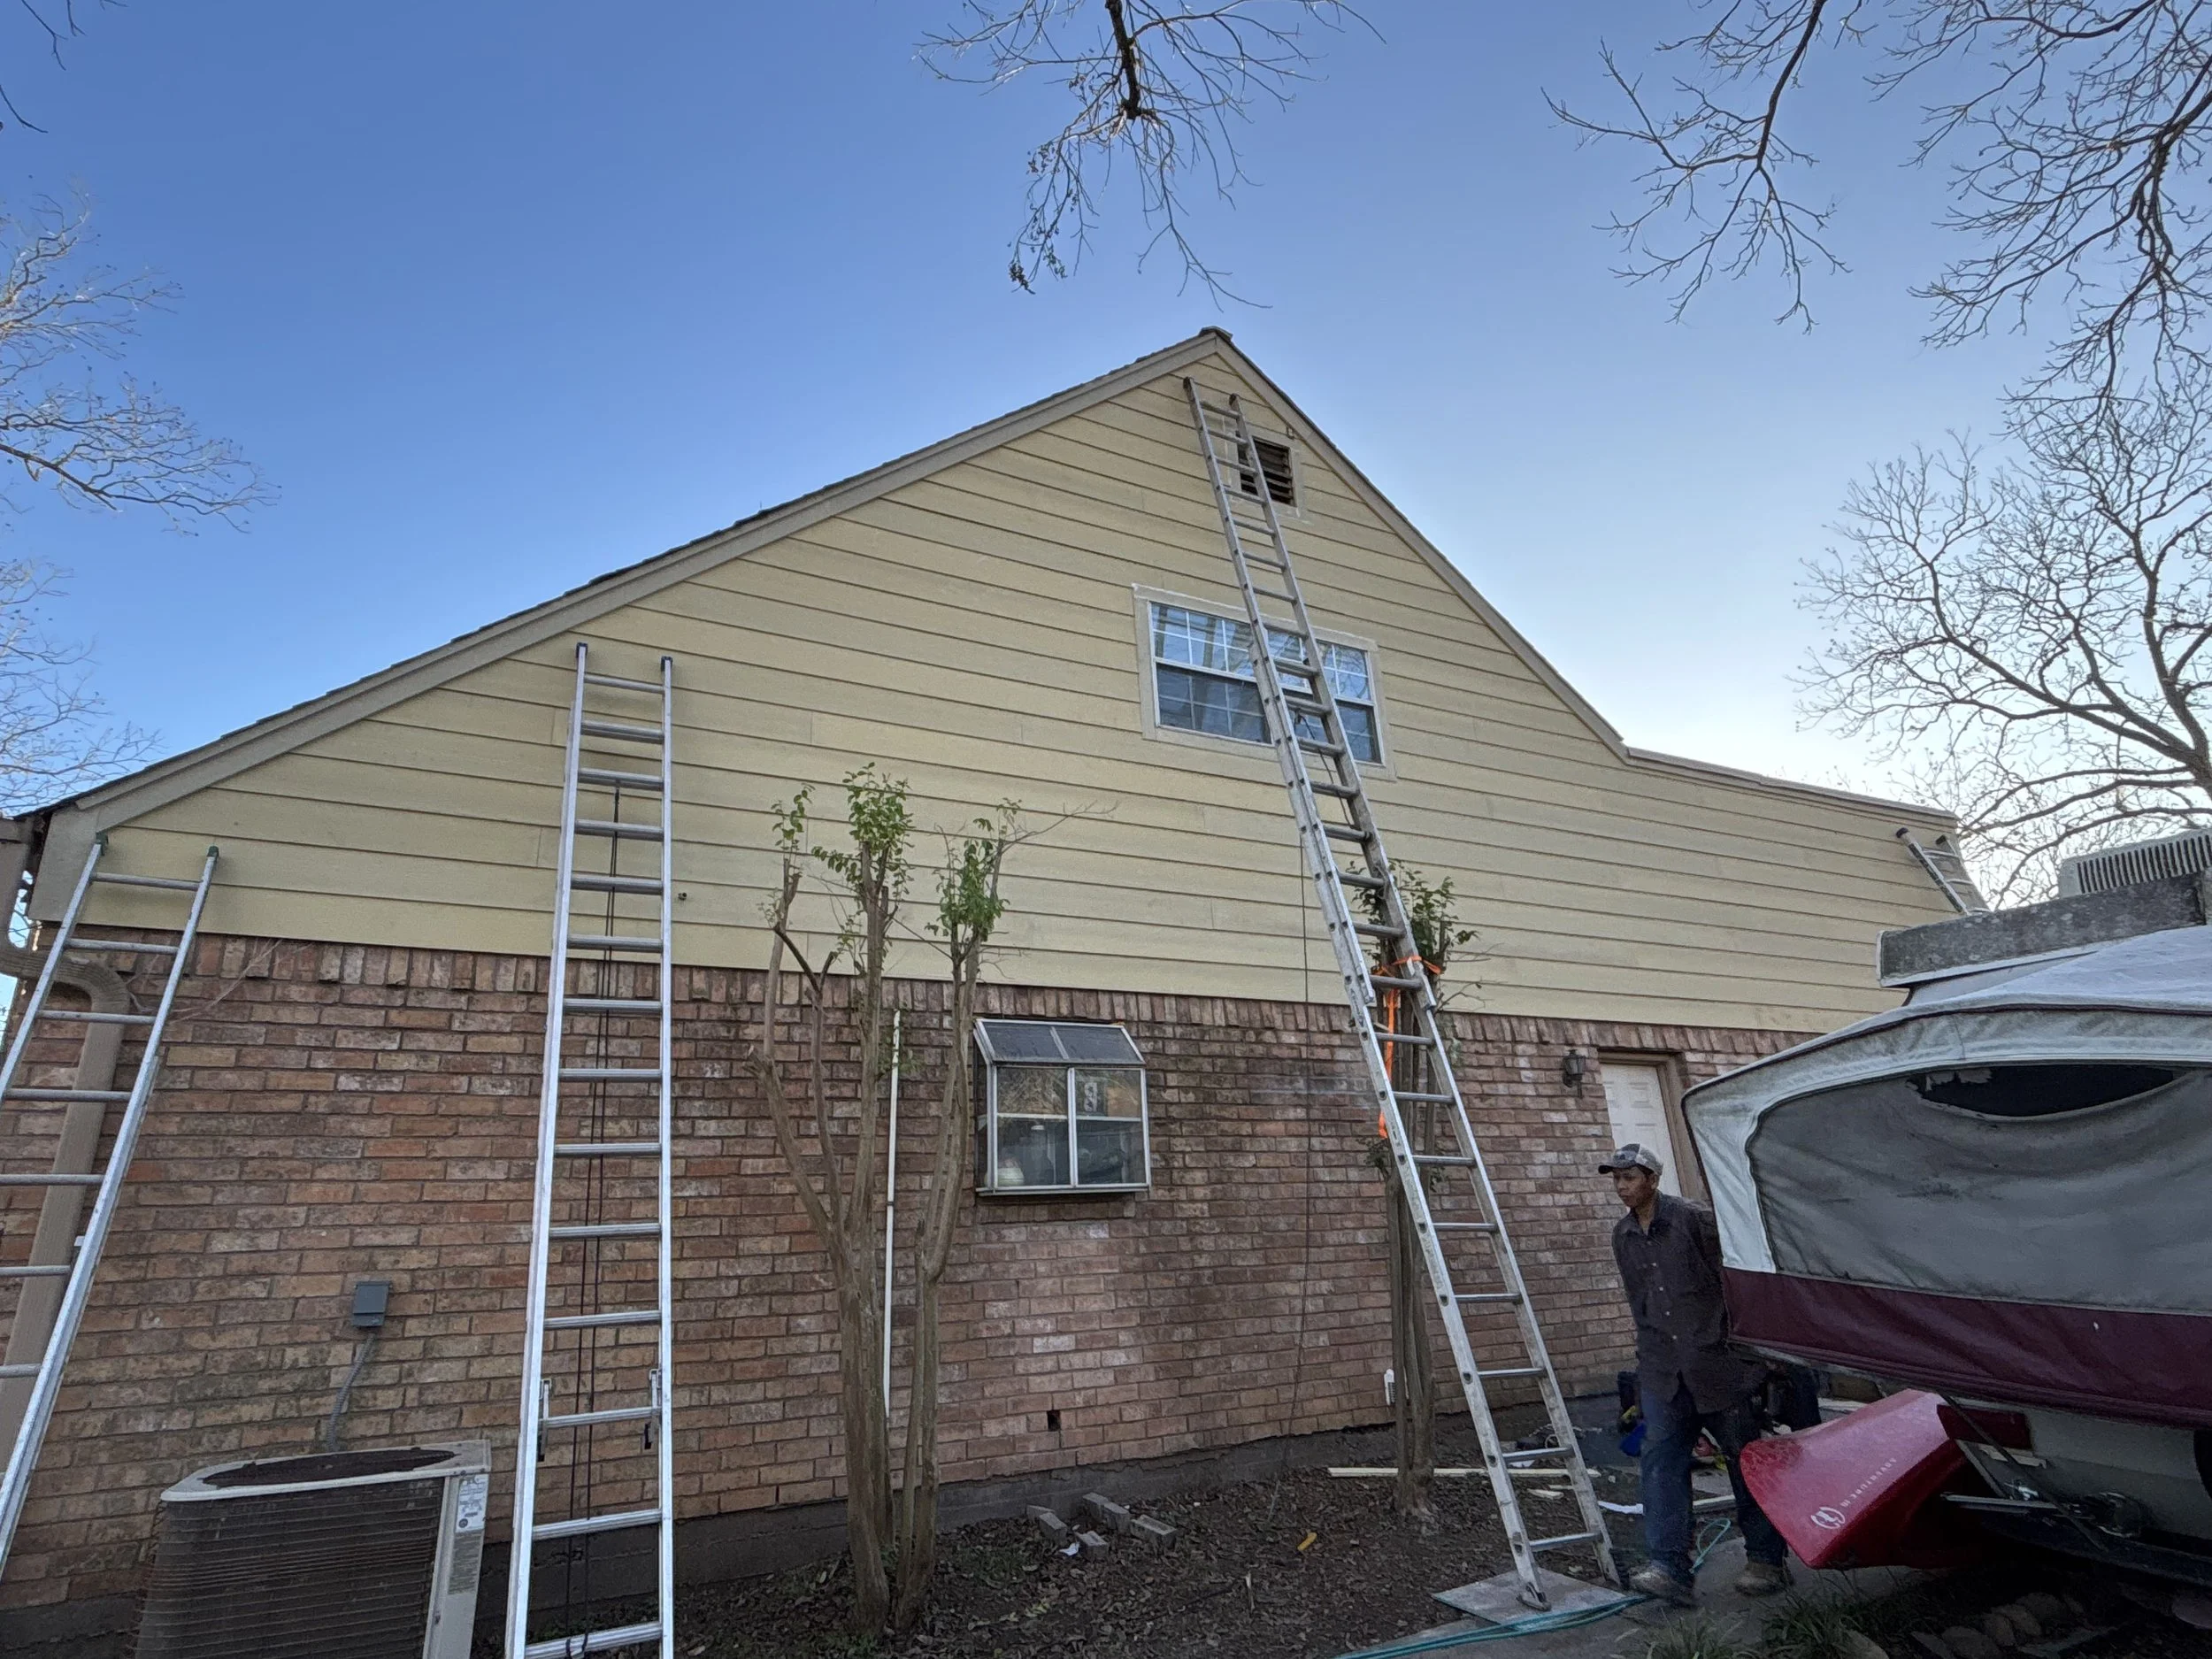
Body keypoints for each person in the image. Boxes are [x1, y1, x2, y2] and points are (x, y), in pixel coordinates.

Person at [1601, 1142, 1793, 1606]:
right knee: (1661, 1464)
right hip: (1663, 1372)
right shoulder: (1623, 1235)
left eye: (1631, 1177)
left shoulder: (1693, 1220)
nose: (1623, 1186)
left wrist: (1760, 1352)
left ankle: (1767, 1559)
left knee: (1745, 1462)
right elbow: (1639, 1301)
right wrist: (1645, 1364)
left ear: (1652, 1178)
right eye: (1617, 1179)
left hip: (1718, 1365)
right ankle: (1669, 1569)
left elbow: (1738, 1280)